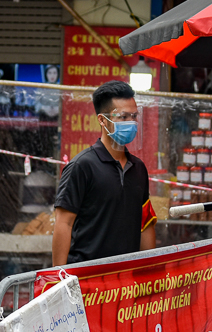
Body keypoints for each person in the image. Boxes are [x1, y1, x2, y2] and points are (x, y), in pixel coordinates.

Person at [52, 80, 156, 266]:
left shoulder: (138, 169)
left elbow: (145, 223)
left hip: (125, 281)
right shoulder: (82, 166)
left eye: (133, 116)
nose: (130, 123)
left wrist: (150, 272)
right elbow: (63, 223)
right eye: (123, 117)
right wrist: (59, 280)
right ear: (102, 120)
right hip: (87, 280)